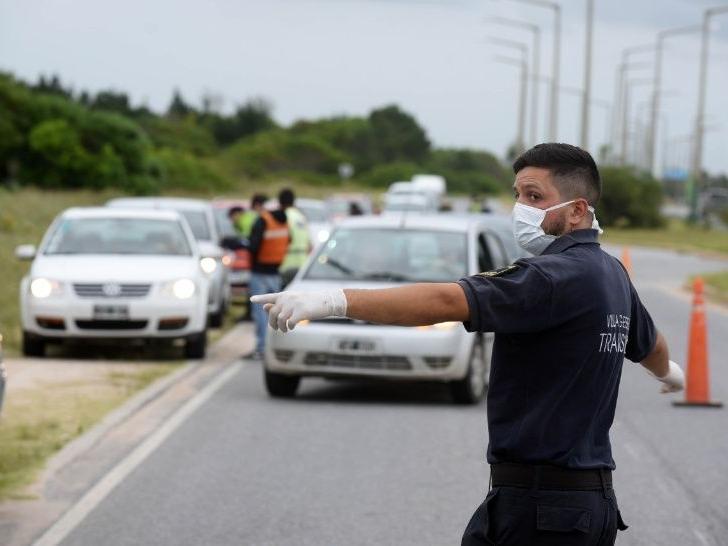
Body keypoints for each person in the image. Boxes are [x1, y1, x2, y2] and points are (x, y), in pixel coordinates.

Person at [251, 143, 686, 545]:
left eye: (534, 197)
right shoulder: (611, 275)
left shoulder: (550, 277)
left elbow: (445, 299)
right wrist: (669, 374)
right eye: (517, 195)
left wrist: (331, 300)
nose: (520, 209)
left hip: (540, 509)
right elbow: (650, 345)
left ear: (576, 211)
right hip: (590, 507)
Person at [245, 194, 290, 360]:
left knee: (260, 313)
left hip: (259, 272)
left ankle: (261, 348)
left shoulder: (263, 221)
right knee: (276, 312)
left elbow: (254, 245)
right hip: (275, 271)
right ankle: (276, 346)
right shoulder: (284, 221)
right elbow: (288, 241)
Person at [278, 188, 311, 287]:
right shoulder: (301, 217)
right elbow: (309, 243)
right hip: (302, 264)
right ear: (293, 201)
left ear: (280, 202)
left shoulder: (282, 217)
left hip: (285, 264)